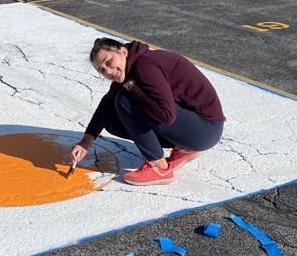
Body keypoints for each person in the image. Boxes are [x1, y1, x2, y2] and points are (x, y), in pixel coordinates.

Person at [70, 38, 225, 186]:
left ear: (123, 51)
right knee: (110, 118)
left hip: (206, 129)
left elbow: (166, 115)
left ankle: (159, 167)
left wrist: (133, 89)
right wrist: (86, 141)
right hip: (194, 124)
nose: (109, 71)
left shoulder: (145, 67)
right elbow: (106, 103)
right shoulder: (130, 65)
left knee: (125, 99)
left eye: (109, 62)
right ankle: (184, 148)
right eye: (102, 70)